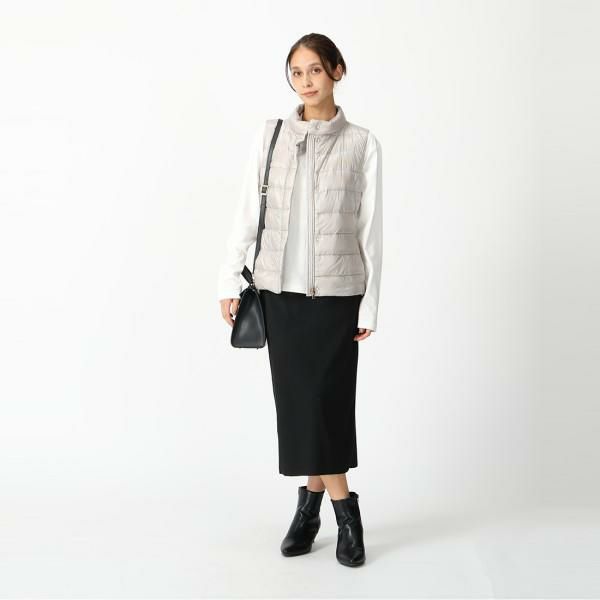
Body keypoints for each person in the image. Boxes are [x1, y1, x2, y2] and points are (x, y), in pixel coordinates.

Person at [217, 33, 382, 568]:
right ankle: (326, 511)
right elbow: (247, 211)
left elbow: (371, 231)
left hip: (337, 296)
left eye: (314, 70)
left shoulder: (362, 144)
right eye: (296, 72)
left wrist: (370, 304)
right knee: (302, 405)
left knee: (324, 404)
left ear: (337, 71)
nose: (305, 81)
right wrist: (227, 279)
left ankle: (329, 511)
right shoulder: (270, 136)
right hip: (280, 295)